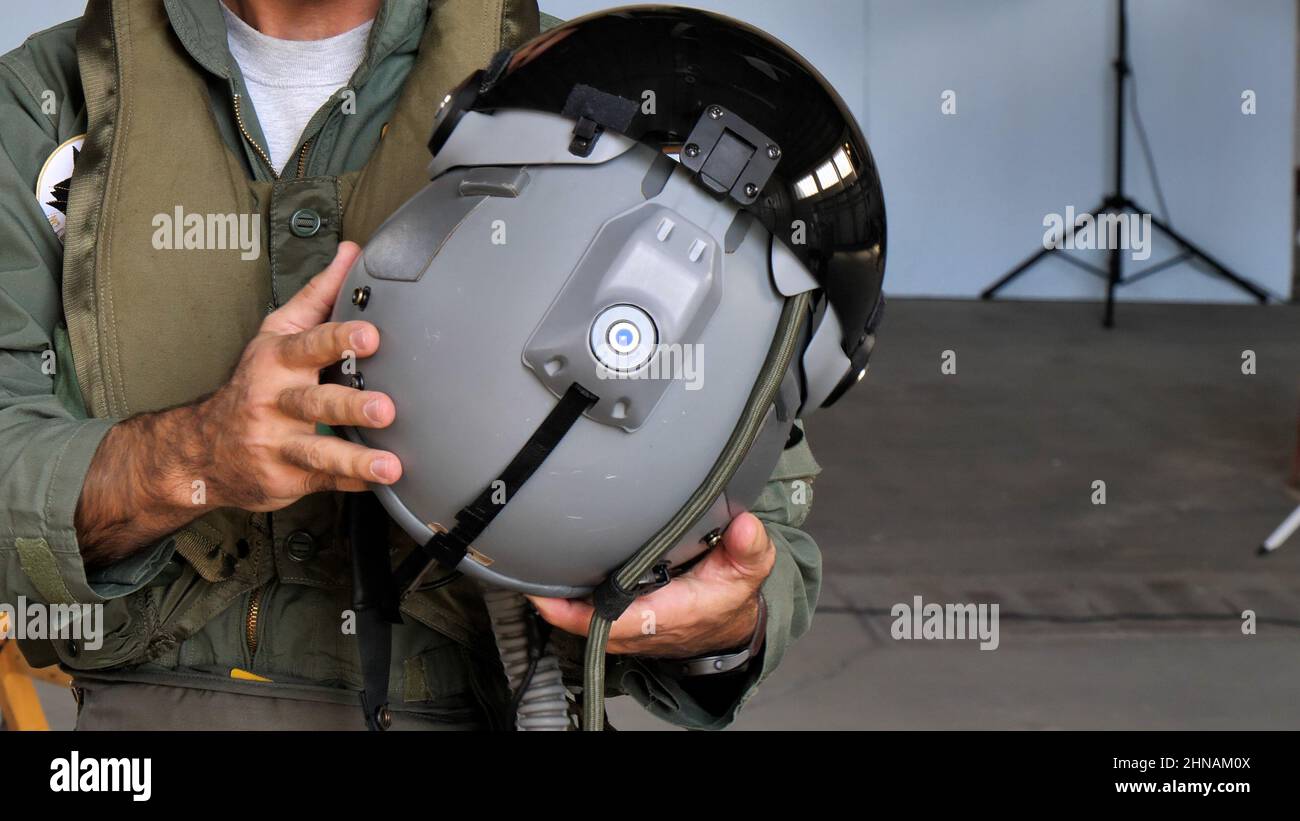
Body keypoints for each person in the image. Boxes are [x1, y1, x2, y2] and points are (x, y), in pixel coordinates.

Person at [0, 0, 822, 730]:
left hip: (484, 695)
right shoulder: (47, 104)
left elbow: (760, 524)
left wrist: (720, 626)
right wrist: (190, 457)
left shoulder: (588, 101)